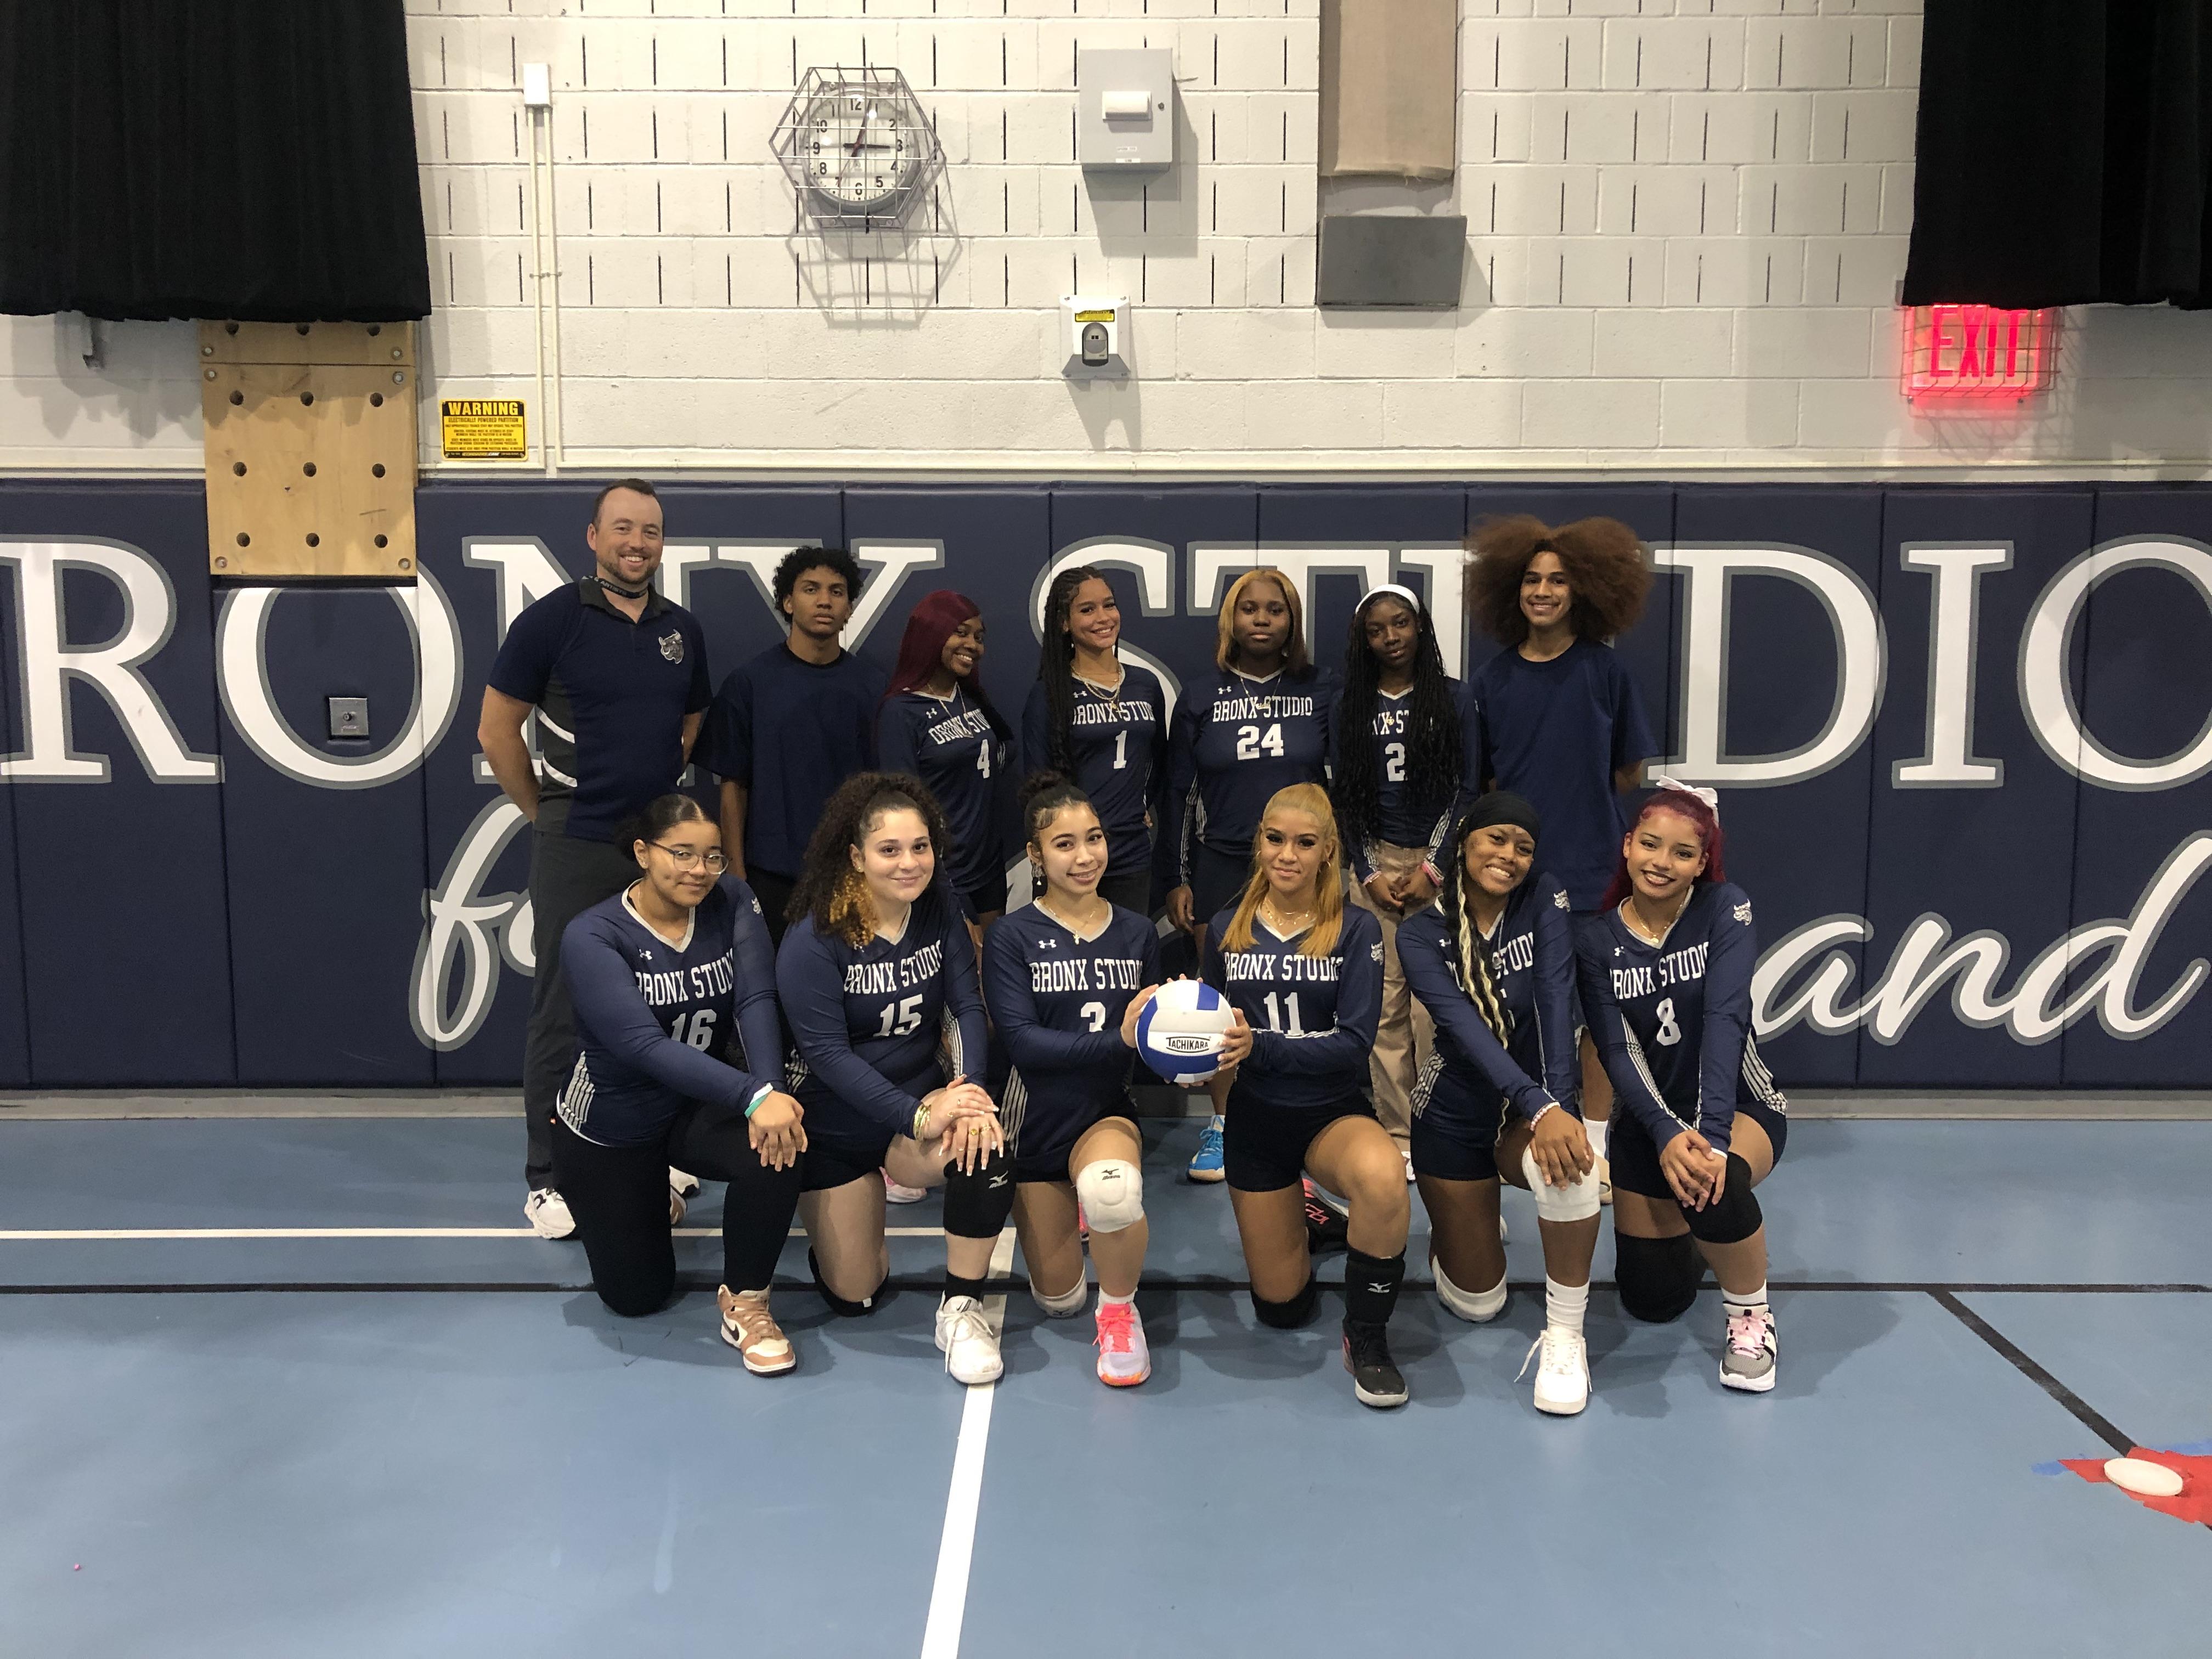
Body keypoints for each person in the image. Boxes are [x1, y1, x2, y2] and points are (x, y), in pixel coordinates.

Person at [478, 478, 712, 1240]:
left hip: (661, 852)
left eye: (649, 531)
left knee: (664, 1003)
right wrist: (544, 811)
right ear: (592, 537)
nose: (636, 543)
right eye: (621, 529)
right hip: (576, 841)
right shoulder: (550, 622)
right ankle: (549, 1176)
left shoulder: (682, 629)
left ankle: (656, 1152)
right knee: (564, 1009)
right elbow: (496, 732)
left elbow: (690, 724)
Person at [553, 794, 809, 1374]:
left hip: (694, 1105)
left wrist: (767, 1095)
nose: (700, 870)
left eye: (713, 857)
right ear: (643, 852)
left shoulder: (732, 899)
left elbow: (755, 997)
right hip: (612, 1127)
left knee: (780, 1145)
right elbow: (642, 1046)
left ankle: (746, 1302)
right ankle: (643, 1195)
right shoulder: (592, 935)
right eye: (682, 854)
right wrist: (755, 1096)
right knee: (638, 1298)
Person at [775, 772, 1014, 1386]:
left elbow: (965, 1005)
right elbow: (826, 1055)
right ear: (856, 857)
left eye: (920, 846)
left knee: (981, 1142)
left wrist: (969, 1095)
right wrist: (916, 1117)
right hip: (834, 1121)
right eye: (889, 850)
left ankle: (961, 1308)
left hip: (915, 1102)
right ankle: (844, 1228)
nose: (909, 863)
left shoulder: (940, 908)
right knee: (856, 1295)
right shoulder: (814, 938)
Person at [1466, 515, 1659, 1198]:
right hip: (1513, 882)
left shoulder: (1605, 672)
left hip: (1593, 872)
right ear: (1509, 589)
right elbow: (1483, 787)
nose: (1543, 592)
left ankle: (1597, 1148)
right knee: (1521, 1015)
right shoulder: (1489, 683)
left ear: (1583, 591)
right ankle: (1535, 1129)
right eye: (1531, 580)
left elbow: (1627, 772)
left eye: (1557, 580)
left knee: (1599, 1016)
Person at [1576, 783, 1789, 1393]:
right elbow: (1617, 1051)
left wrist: (1712, 1138)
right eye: (1649, 845)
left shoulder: (1725, 909)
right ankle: (1704, 1229)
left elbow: (1726, 1018)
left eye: (1681, 852)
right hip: (1648, 1123)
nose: (1660, 863)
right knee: (1653, 1299)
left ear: (1703, 861)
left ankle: (1751, 1315)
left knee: (1713, 1187)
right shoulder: (1597, 941)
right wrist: (1668, 1132)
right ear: (1627, 846)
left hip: (1741, 1107)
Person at [1397, 794, 1603, 1415]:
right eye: (1496, 840)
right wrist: (1543, 1106)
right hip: (1456, 1109)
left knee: (1571, 1172)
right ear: (1463, 844)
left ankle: (1566, 1335)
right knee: (1479, 1303)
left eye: (1523, 846)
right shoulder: (1420, 932)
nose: (1509, 856)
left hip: (1531, 1104)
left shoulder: (1545, 899)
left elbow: (1556, 1001)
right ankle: (1455, 1228)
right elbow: (1464, 1029)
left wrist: (1556, 1109)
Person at [1200, 784, 1404, 1408]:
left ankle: (1366, 1337)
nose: (1287, 854)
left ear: (1327, 851)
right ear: (1258, 843)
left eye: (1305, 843)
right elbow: (1210, 1029)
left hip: (1331, 1112)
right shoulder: (1224, 928)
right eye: (1275, 839)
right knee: (1281, 1311)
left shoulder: (1356, 927)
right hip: (1257, 1122)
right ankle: (1312, 1220)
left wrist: (1259, 1045)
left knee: (1384, 1177)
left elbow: (1352, 1044)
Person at [982, 773, 1164, 1386]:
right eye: (1064, 844)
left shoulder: (1138, 933)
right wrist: (1119, 1039)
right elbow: (1024, 1045)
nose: (1084, 856)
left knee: (1114, 1191)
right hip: (1031, 1122)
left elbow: (1152, 1037)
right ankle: (1078, 1214)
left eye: (1094, 839)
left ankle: (1120, 1314)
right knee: (1059, 1298)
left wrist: (1189, 1052)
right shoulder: (1011, 937)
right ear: (1035, 855)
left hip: (1102, 1113)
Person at [1163, 568, 1339, 1183]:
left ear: (1292, 621)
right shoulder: (1199, 694)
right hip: (1222, 862)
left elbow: (1339, 787)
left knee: (1304, 987)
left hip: (1300, 865)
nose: (1262, 620)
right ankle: (1224, 1122)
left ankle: (1310, 1120)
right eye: (1249, 610)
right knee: (1225, 1002)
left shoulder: (1322, 692)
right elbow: (1181, 794)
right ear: (1230, 621)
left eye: (1276, 610)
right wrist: (1180, 876)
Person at [1331, 583, 1485, 1178]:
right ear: (1362, 639)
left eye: (1400, 624)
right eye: (1376, 629)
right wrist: (1367, 870)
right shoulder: (1350, 704)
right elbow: (1344, 797)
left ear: (1420, 628)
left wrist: (1434, 867)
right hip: (1373, 866)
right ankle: (1397, 1133)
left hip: (1437, 867)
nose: (1390, 637)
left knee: (1436, 1006)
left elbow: (1466, 789)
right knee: (1383, 1006)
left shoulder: (1455, 698)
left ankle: (1440, 1120)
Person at [701, 546, 882, 948]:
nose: (824, 600)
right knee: (772, 994)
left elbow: (882, 794)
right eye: (811, 589)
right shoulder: (748, 684)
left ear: (849, 608)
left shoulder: (872, 688)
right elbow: (733, 785)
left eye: (837, 592)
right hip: (771, 875)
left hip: (851, 872)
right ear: (787, 601)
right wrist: (736, 874)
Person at [1023, 565, 1169, 917]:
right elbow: (1037, 787)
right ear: (1064, 623)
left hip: (1131, 853)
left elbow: (1160, 760)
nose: (1103, 618)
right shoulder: (1049, 695)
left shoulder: (1145, 685)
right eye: (1087, 610)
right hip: (1073, 859)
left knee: (1127, 964)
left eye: (1109, 605)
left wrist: (1142, 804)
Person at [877, 591, 1015, 933]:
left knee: (991, 974)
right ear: (931, 633)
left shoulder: (972, 701)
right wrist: (938, 880)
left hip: (988, 867)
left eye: (979, 638)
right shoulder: (900, 713)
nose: (972, 644)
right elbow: (901, 808)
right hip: (942, 874)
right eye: (961, 632)